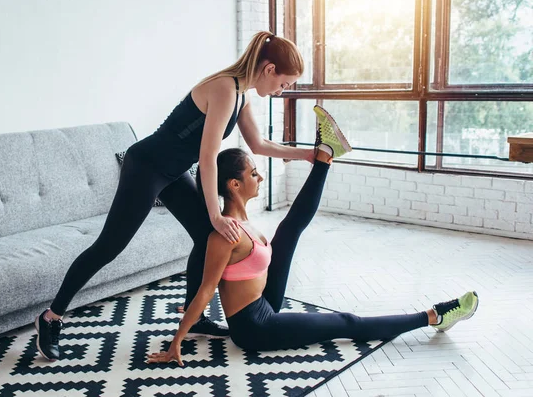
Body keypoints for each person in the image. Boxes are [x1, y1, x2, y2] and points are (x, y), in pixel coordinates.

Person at [34, 31, 314, 361]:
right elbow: (208, 157)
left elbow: (259, 146)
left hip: (172, 170)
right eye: (285, 83)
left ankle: (195, 320)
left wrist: (308, 155)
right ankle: (51, 317)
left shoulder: (242, 95)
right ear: (269, 69)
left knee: (207, 235)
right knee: (109, 246)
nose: (284, 91)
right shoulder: (225, 88)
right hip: (147, 166)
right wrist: (215, 213)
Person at [146, 114, 479, 365]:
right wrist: (177, 342)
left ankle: (325, 157)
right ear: (233, 185)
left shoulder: (244, 221)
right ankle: (435, 315)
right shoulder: (226, 234)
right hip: (254, 329)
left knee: (289, 230)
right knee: (346, 323)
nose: (259, 176)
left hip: (263, 302)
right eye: (252, 173)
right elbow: (206, 289)